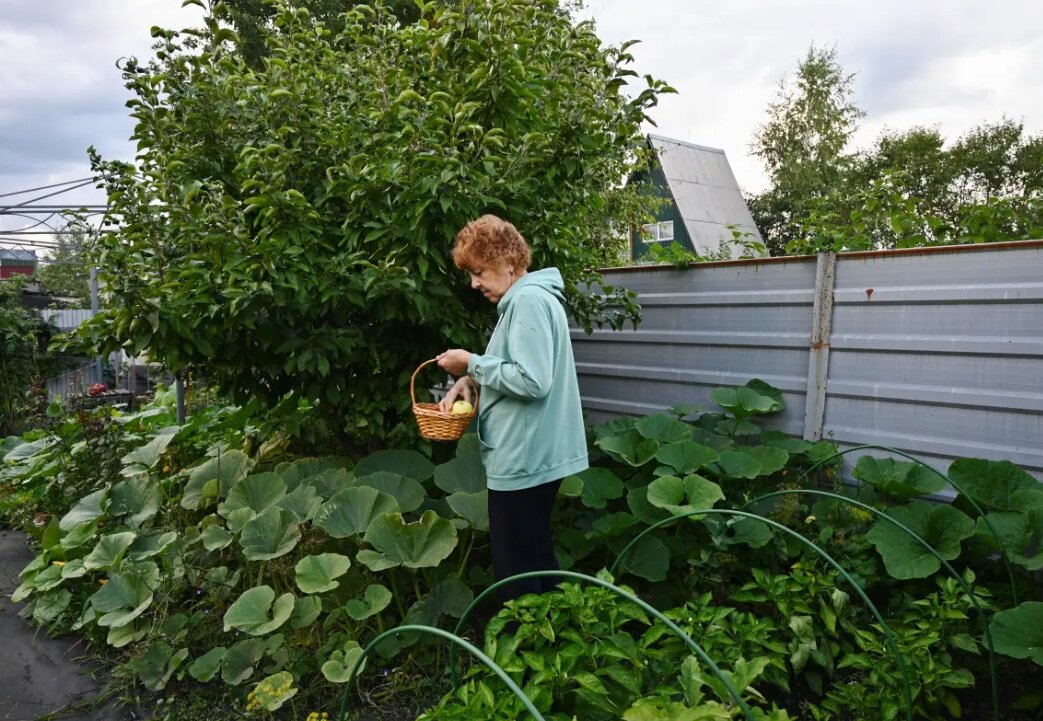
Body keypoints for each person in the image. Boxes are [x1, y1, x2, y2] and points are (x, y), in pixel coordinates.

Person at [436, 214, 588, 601]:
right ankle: (554, 640)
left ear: (508, 261)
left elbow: (532, 380)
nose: (474, 283)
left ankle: (518, 652)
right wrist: (471, 379)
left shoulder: (529, 302)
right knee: (534, 556)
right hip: (533, 454)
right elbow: (516, 368)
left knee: (516, 569)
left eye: (480, 271)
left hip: (524, 457)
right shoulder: (529, 300)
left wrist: (470, 362)